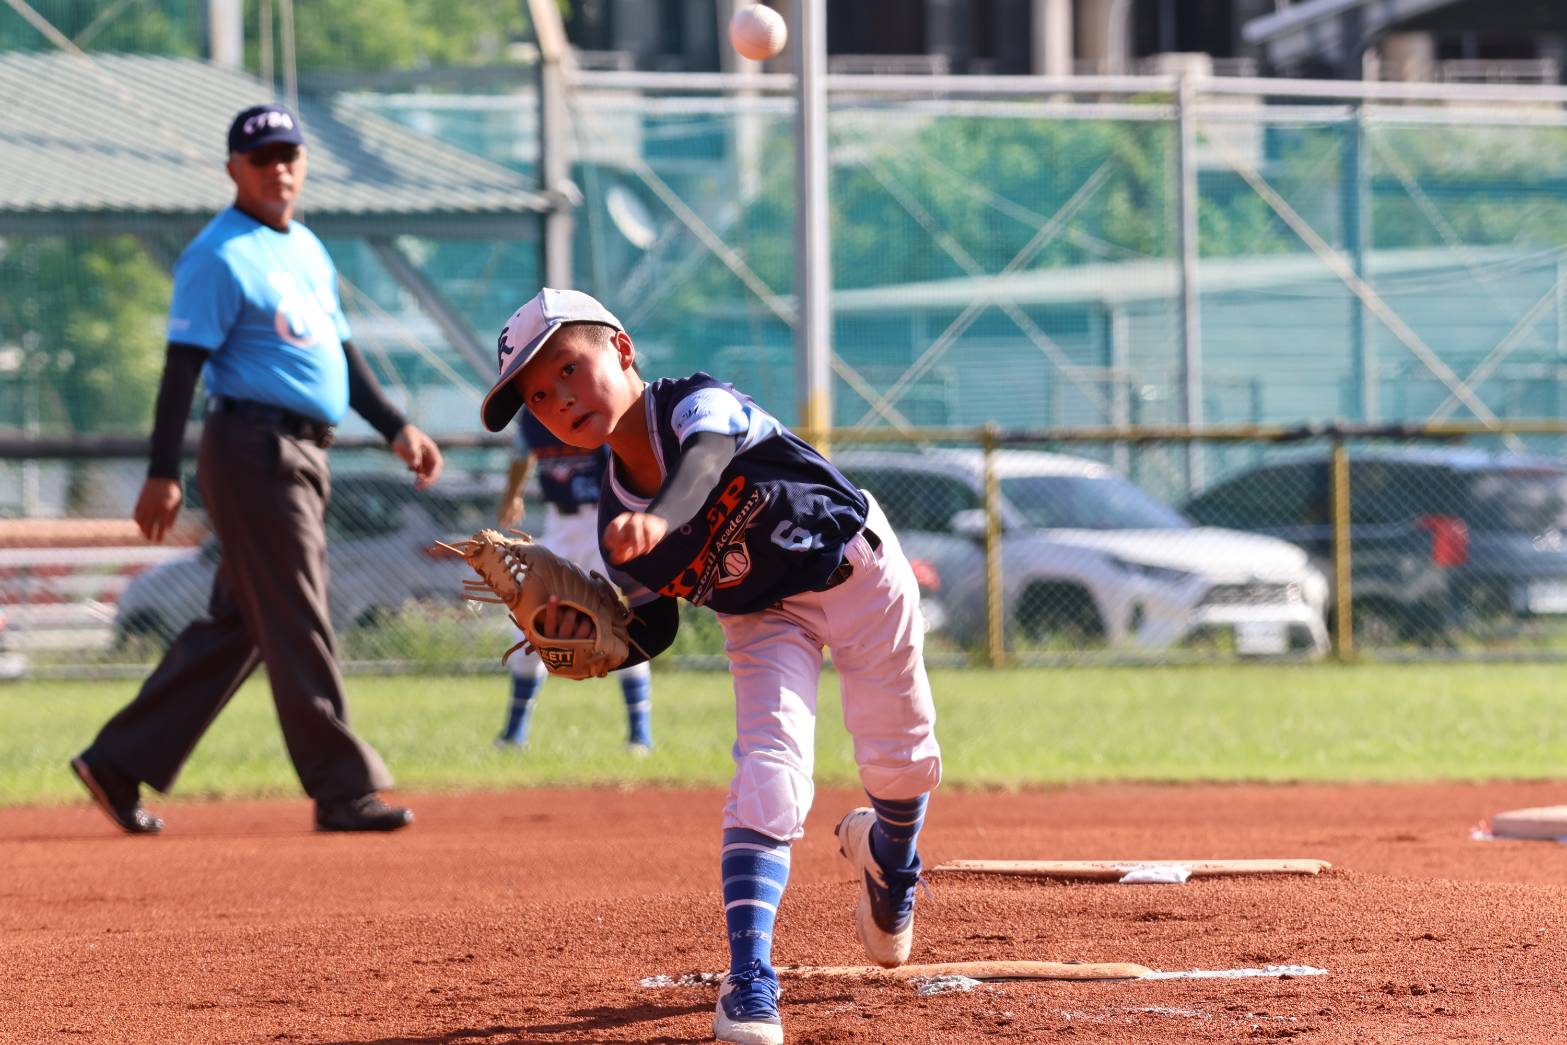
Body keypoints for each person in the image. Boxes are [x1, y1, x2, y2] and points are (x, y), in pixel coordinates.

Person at [480, 288, 941, 1045]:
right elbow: (650, 624)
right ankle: (751, 980)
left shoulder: (694, 404)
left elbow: (706, 459)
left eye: (568, 367)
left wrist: (663, 516)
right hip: (760, 619)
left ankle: (891, 861)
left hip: (855, 571)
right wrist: (586, 644)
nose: (558, 399)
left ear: (622, 350)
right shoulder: (612, 523)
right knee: (768, 774)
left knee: (899, 762)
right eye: (537, 394)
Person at [69, 104, 444, 835]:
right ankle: (343, 787)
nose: (278, 168)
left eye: (288, 154)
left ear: (303, 164)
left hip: (302, 449)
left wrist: (395, 426)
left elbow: (341, 359)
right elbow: (182, 368)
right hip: (253, 449)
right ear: (233, 169)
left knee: (240, 625)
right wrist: (161, 470)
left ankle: (117, 759)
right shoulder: (218, 253)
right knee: (301, 611)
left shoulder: (304, 247)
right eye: (261, 156)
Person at [493, 409, 654, 752]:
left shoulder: (587, 407)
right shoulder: (532, 417)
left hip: (604, 521)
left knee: (622, 626)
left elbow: (627, 463)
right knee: (528, 622)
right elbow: (521, 456)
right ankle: (513, 734)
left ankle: (640, 735)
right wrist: (513, 495)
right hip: (559, 526)